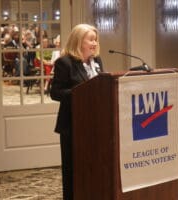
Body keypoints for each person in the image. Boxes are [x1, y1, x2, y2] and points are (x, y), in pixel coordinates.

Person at [50, 24, 103, 200]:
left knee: (94, 166)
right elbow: (55, 93)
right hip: (72, 125)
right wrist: (80, 93)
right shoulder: (65, 63)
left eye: (95, 39)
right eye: (91, 39)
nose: (94, 43)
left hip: (96, 123)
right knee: (73, 168)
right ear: (79, 41)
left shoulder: (97, 61)